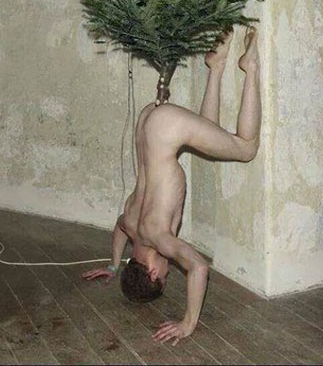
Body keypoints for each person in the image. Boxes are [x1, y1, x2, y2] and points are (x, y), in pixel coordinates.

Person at [82, 27, 261, 345]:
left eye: (164, 275)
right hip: (148, 122)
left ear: (152, 272)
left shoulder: (159, 239)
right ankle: (216, 65)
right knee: (209, 138)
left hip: (164, 129)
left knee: (245, 148)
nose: (168, 270)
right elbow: (119, 227)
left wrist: (187, 323)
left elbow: (199, 268)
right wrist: (113, 265)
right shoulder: (133, 226)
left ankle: (251, 67)